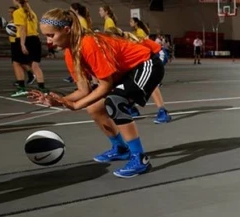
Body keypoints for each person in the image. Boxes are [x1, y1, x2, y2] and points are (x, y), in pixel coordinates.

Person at [32, 8, 164, 178]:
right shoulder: (70, 53)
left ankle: (140, 159)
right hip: (126, 72)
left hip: (147, 64)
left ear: (66, 30)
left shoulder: (89, 44)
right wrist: (60, 100)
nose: (49, 41)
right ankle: (121, 148)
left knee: (115, 102)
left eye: (51, 35)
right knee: (94, 108)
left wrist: (75, 105)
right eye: (46, 36)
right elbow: (83, 90)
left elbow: (105, 85)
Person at [11, 0, 46, 97]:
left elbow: (22, 28)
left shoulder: (17, 12)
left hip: (24, 39)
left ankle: (21, 88)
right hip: (35, 39)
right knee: (35, 65)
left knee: (16, 63)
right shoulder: (32, 12)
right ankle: (42, 88)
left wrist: (22, 44)